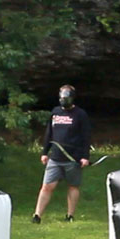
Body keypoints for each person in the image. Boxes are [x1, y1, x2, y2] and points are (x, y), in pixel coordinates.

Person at [33, 85, 91, 223]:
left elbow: (86, 136)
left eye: (66, 98)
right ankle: (37, 215)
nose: (64, 101)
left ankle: (70, 215)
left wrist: (85, 156)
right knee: (47, 186)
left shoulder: (80, 114)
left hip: (73, 158)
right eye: (62, 98)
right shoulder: (55, 112)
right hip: (55, 157)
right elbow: (49, 133)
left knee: (73, 186)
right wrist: (45, 152)